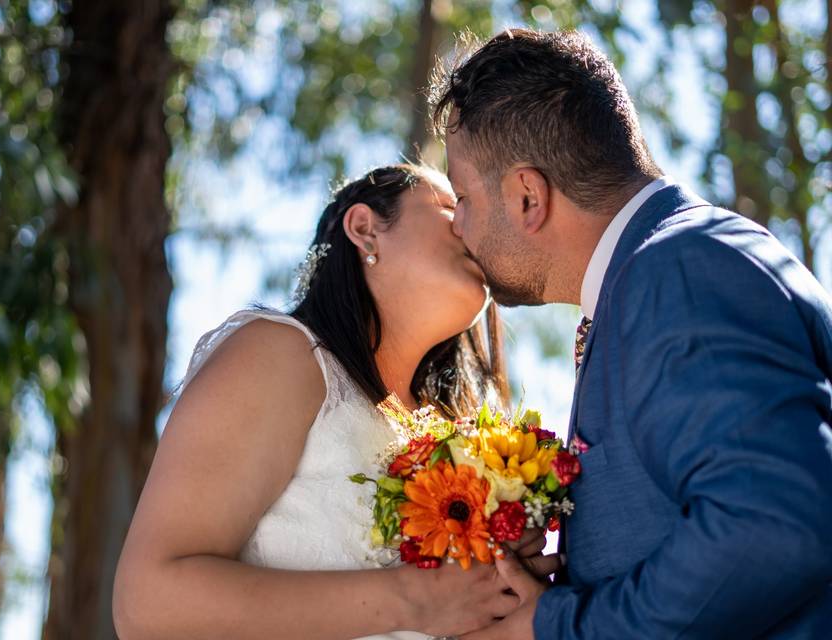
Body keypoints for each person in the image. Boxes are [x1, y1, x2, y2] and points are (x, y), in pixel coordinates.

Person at [429, 28, 832, 639]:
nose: (456, 224)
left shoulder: (676, 270)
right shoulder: (658, 273)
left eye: (461, 196)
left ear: (528, 196)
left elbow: (773, 524)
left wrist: (558, 628)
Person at [112, 164, 558, 639]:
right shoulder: (281, 355)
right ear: (366, 230)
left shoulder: (448, 438)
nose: (471, 227)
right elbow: (148, 602)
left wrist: (516, 609)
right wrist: (414, 598)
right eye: (453, 207)